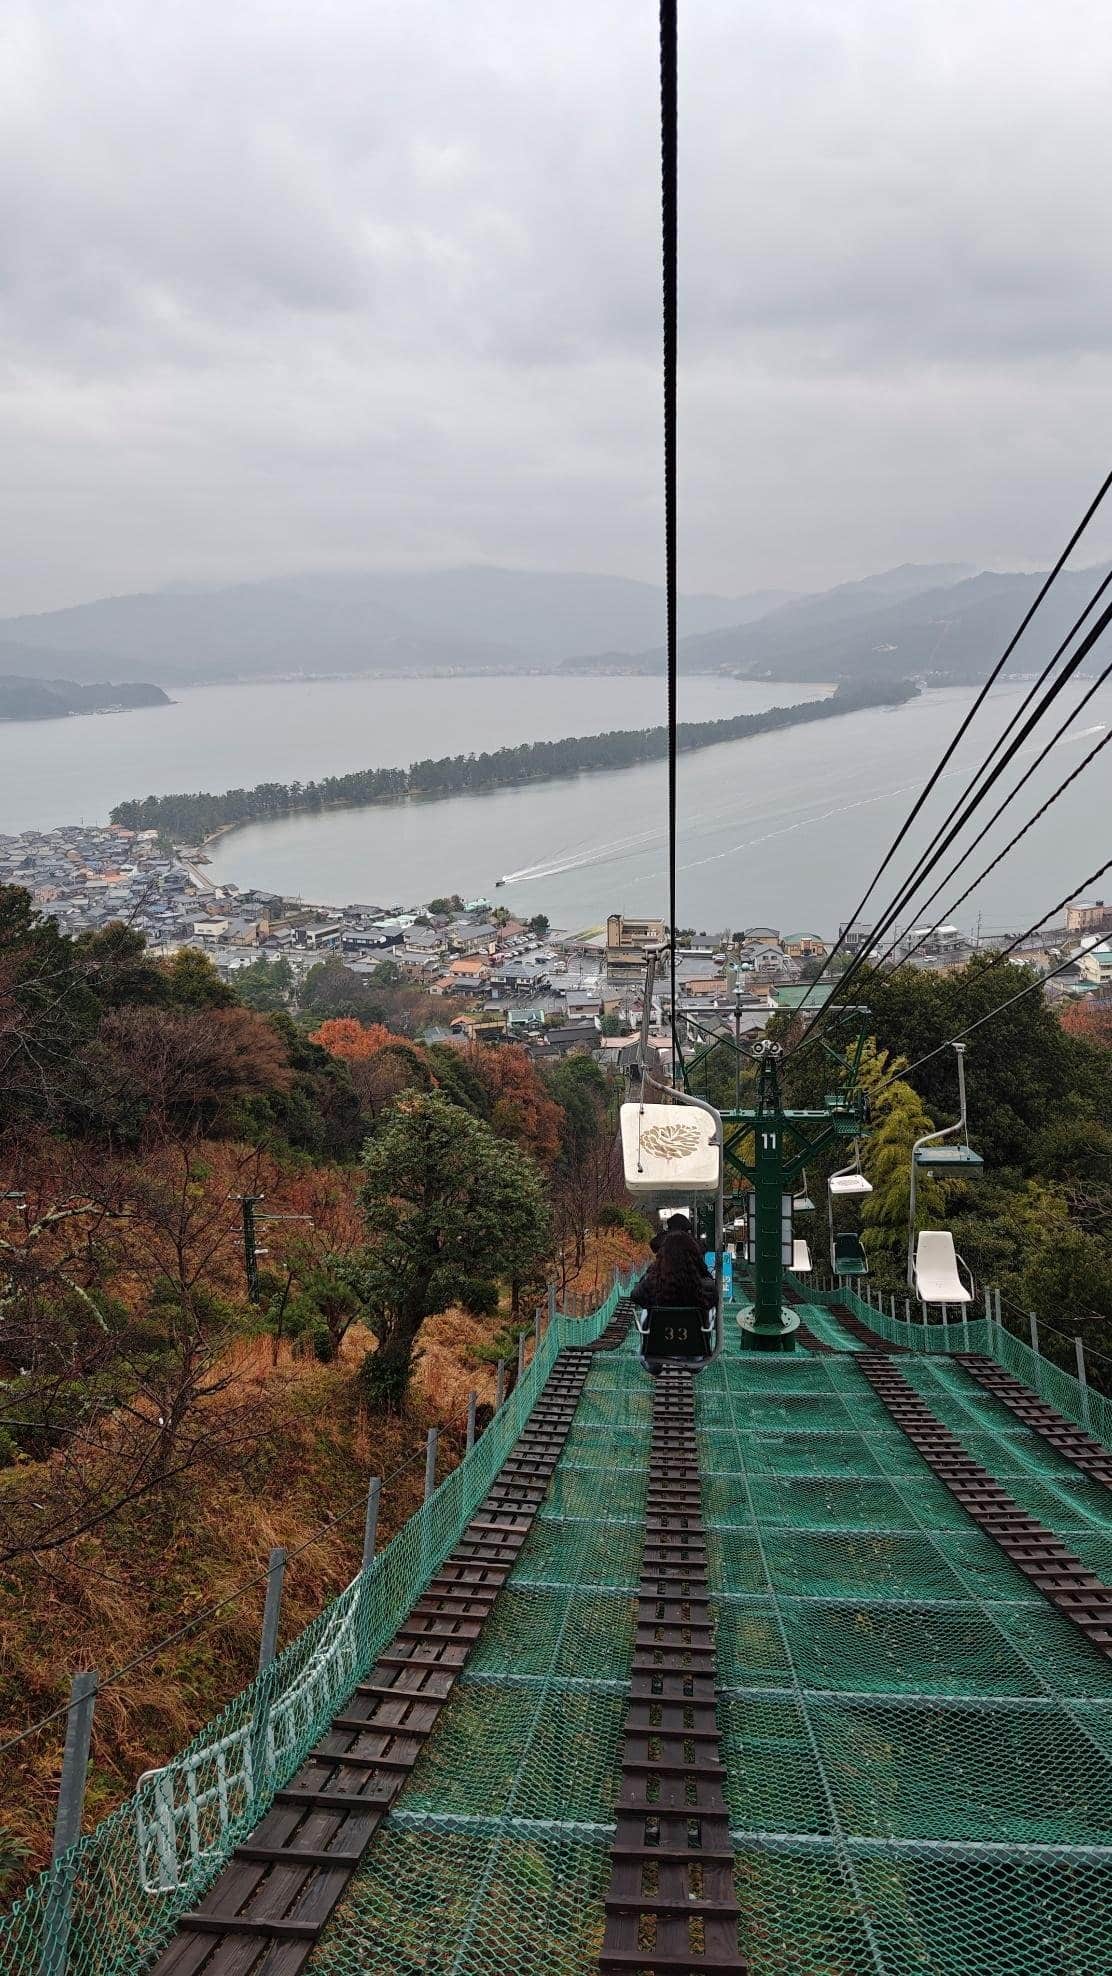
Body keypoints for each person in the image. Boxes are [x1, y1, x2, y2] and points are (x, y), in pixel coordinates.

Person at [633, 1216, 716, 1317]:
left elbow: (636, 1296)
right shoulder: (703, 1285)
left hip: (658, 1331)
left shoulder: (653, 1283)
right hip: (694, 1331)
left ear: (662, 1255)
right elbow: (713, 1300)